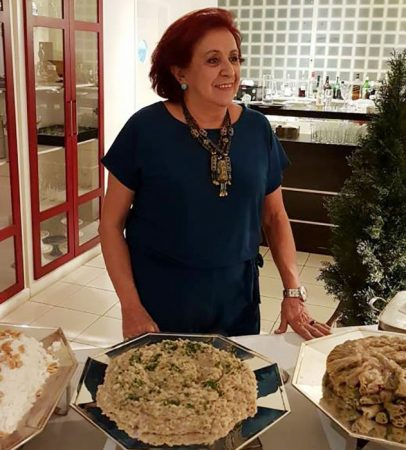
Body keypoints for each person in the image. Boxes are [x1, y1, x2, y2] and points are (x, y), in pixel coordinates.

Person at [99, 8, 330, 341]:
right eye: (212, 60)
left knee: (236, 375)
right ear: (180, 71)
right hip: (161, 300)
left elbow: (275, 216)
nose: (229, 71)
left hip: (237, 302)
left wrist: (292, 291)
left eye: (234, 58)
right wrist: (130, 306)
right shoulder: (145, 130)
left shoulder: (257, 129)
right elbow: (110, 224)